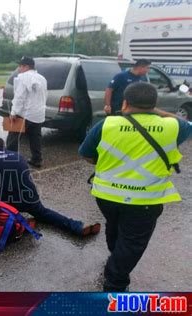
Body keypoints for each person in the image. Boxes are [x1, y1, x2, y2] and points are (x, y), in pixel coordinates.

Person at [79, 82, 192, 292]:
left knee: (115, 227)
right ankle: (115, 283)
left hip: (106, 195)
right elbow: (187, 125)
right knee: (132, 242)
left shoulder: (107, 124)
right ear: (154, 104)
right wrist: (153, 109)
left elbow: (85, 153)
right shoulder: (173, 127)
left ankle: (116, 261)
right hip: (145, 201)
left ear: (125, 102)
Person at [0, 137, 101, 237]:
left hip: (6, 203)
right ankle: (77, 226)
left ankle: (20, 224)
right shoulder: (18, 156)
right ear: (4, 146)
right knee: (44, 213)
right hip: (29, 197)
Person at [6, 56, 47, 168]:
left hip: (25, 113)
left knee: (12, 138)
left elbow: (20, 97)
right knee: (35, 138)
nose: (19, 68)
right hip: (38, 114)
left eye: (20, 66)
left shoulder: (23, 77)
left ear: (26, 66)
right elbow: (44, 96)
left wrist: (14, 112)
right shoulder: (42, 78)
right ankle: (37, 160)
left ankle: (11, 161)